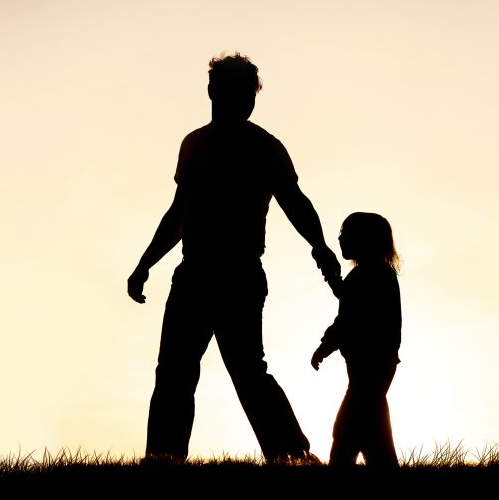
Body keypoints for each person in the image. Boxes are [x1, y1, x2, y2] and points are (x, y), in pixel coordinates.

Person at [127, 52, 342, 464]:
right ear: (212, 91)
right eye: (236, 92)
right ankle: (163, 457)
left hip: (240, 273)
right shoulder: (194, 144)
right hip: (193, 272)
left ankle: (290, 454)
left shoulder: (264, 147)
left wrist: (320, 247)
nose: (245, 101)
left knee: (246, 370)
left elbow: (295, 202)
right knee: (174, 370)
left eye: (249, 94)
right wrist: (145, 264)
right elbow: (178, 213)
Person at [311, 212, 402, 467]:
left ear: (365, 240)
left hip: (370, 365)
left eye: (346, 234)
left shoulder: (369, 277)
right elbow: (351, 307)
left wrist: (325, 346)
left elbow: (349, 318)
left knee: (348, 428)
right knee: (372, 429)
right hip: (377, 365)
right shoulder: (376, 276)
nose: (340, 239)